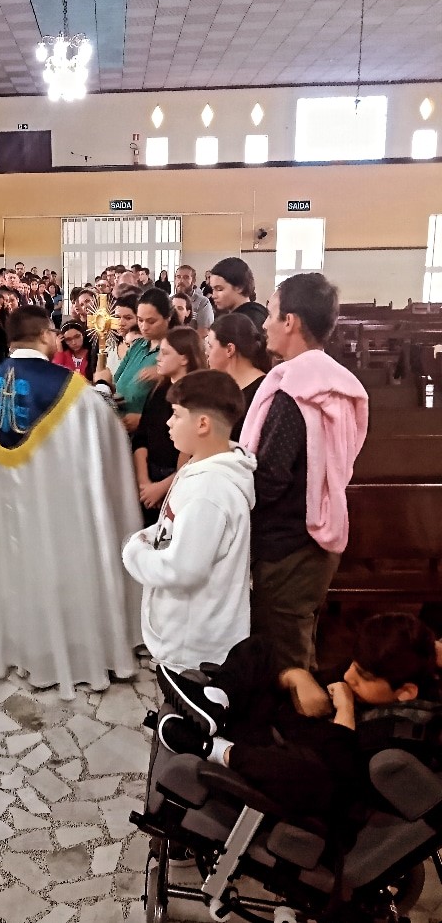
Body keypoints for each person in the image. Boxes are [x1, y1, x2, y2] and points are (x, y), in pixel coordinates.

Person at [0, 306, 143, 700]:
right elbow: (103, 432)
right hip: (61, 511)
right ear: (48, 335)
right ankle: (75, 654)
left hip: (12, 514)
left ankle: (20, 647)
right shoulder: (68, 388)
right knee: (62, 570)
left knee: (19, 572)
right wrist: (101, 389)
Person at [155, 613, 441, 820]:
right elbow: (308, 690)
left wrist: (345, 710)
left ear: (405, 692)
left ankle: (207, 747)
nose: (349, 676)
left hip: (286, 762)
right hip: (279, 725)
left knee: (312, 775)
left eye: (363, 676)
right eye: (353, 665)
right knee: (260, 647)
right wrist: (296, 677)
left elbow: (342, 777)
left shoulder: (404, 733)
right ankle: (215, 704)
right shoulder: (366, 674)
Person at [240, 273, 368, 671]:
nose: (264, 324)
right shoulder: (337, 383)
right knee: (299, 637)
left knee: (285, 659)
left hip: (287, 547)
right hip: (317, 538)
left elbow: (271, 478)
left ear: (291, 321)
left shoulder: (294, 391)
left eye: (272, 314)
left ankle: (297, 730)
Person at [123, 370, 256, 671]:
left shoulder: (208, 491)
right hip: (191, 631)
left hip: (193, 644)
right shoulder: (203, 467)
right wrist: (150, 535)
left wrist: (133, 552)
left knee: (188, 712)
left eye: (176, 415)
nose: (169, 422)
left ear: (203, 423)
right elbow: (176, 529)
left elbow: (182, 570)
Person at [132, 327, 206, 527]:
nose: (158, 358)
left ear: (184, 358)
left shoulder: (197, 397)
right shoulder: (158, 390)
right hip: (148, 477)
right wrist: (144, 482)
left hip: (178, 481)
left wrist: (162, 487)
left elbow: (196, 455)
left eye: (165, 353)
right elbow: (141, 437)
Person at [96, 287, 174, 434]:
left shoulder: (175, 349)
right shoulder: (137, 345)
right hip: (121, 428)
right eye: (140, 320)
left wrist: (144, 419)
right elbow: (115, 382)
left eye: (151, 321)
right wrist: (103, 382)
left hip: (153, 434)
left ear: (167, 318)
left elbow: (178, 402)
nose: (144, 327)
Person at [205, 313, 270, 440]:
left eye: (211, 346)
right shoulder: (221, 385)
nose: (207, 353)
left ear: (229, 349)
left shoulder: (262, 391)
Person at [209, 257, 269, 332]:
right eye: (212, 289)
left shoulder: (247, 323)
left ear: (239, 287)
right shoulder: (238, 317)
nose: (213, 295)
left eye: (219, 289)